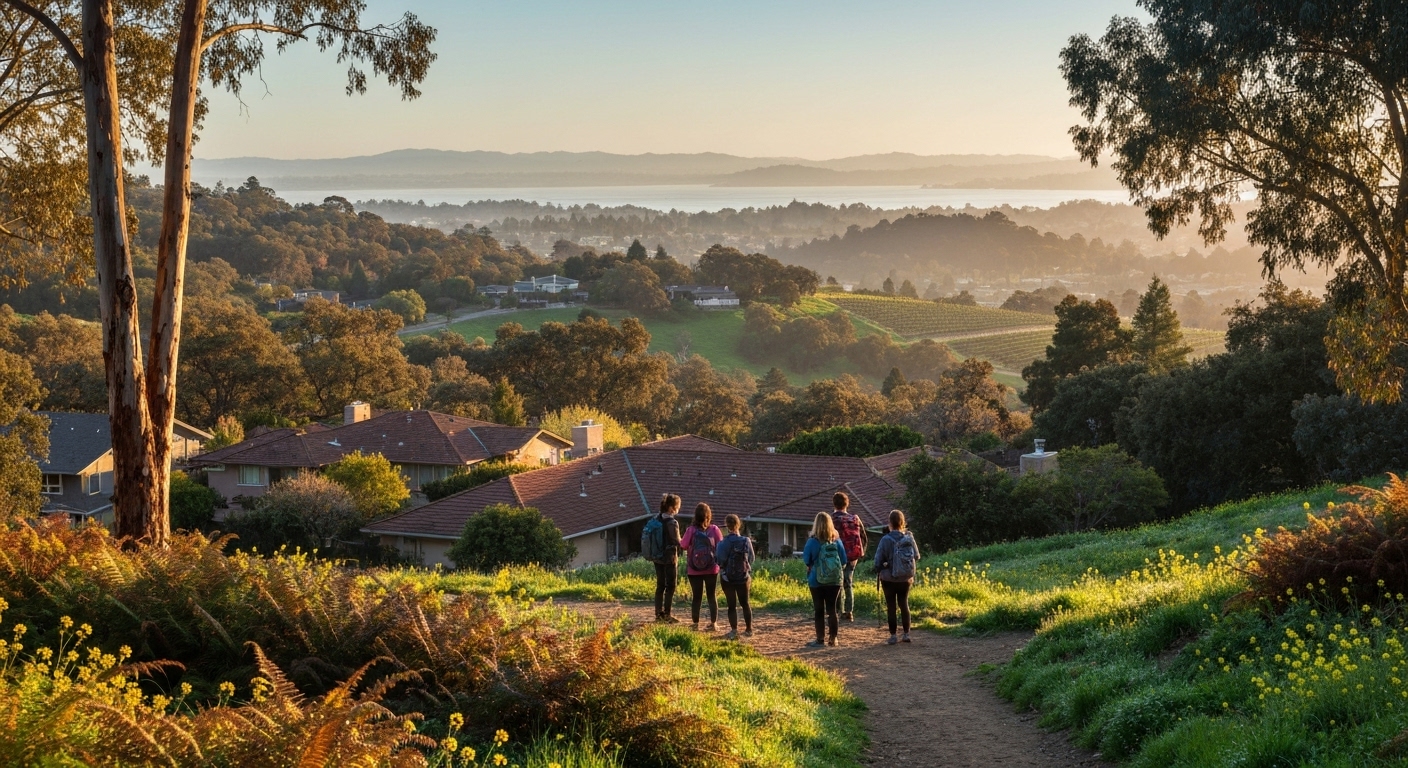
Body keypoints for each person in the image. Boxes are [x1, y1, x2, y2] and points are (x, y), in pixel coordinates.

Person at [874, 509, 921, 645]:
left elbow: (877, 561)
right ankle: (906, 634)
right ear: (902, 522)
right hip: (905, 578)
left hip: (888, 578)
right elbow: (917, 556)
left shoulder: (885, 540)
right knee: (904, 604)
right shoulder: (909, 538)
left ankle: (893, 635)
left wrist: (882, 567)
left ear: (890, 523)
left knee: (891, 606)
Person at [802, 511, 845, 647]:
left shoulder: (812, 541)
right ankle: (833, 638)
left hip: (816, 580)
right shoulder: (836, 541)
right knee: (832, 610)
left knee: (819, 610)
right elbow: (844, 560)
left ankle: (820, 639)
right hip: (835, 580)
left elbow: (806, 560)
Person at [681, 502, 724, 631]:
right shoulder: (714, 529)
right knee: (711, 596)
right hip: (712, 568)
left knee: (696, 597)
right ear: (708, 516)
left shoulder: (691, 530)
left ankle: (695, 624)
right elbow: (721, 546)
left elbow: (683, 545)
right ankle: (713, 623)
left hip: (694, 569)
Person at [716, 514, 756, 640]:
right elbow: (752, 558)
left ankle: (734, 630)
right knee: (745, 603)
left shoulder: (723, 543)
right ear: (738, 525)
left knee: (731, 605)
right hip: (743, 577)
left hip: (727, 578)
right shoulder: (746, 541)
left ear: (727, 526)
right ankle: (749, 629)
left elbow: (719, 559)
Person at [831, 492, 866, 622]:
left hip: (836, 556)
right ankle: (849, 612)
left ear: (834, 504)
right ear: (847, 504)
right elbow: (863, 537)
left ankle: (837, 611)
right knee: (848, 583)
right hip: (852, 557)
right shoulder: (855, 518)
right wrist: (859, 554)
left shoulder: (831, 520)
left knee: (836, 584)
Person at [648, 494, 683, 623]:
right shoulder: (672, 523)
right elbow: (677, 541)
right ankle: (667, 614)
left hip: (657, 557)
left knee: (660, 586)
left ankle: (658, 614)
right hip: (669, 558)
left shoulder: (656, 519)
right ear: (671, 508)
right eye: (677, 506)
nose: (678, 509)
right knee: (671, 586)